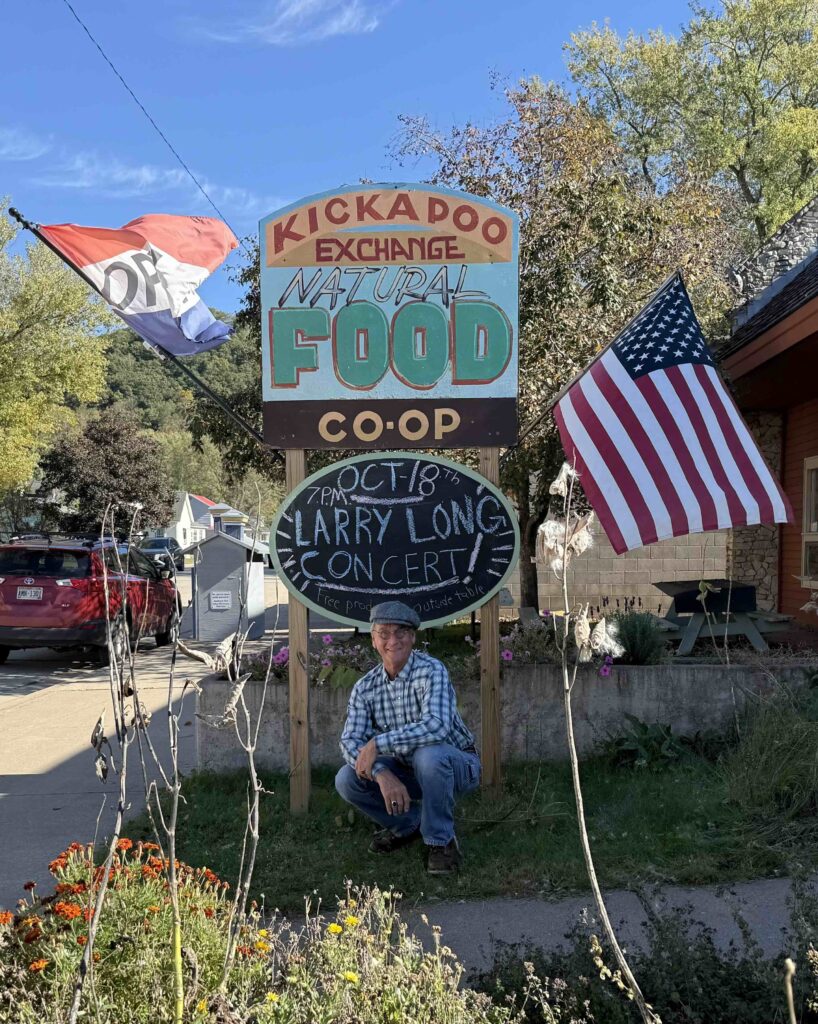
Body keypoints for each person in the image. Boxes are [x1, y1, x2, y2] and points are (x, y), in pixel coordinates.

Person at [335, 600, 480, 875]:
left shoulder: (432, 670)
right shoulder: (365, 687)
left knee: (429, 755)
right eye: (384, 633)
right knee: (347, 778)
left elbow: (436, 727)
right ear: (374, 641)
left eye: (401, 632)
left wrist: (378, 743)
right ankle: (407, 825)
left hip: (458, 766)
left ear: (413, 637)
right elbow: (350, 742)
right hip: (406, 769)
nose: (393, 640)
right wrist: (381, 773)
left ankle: (442, 841)